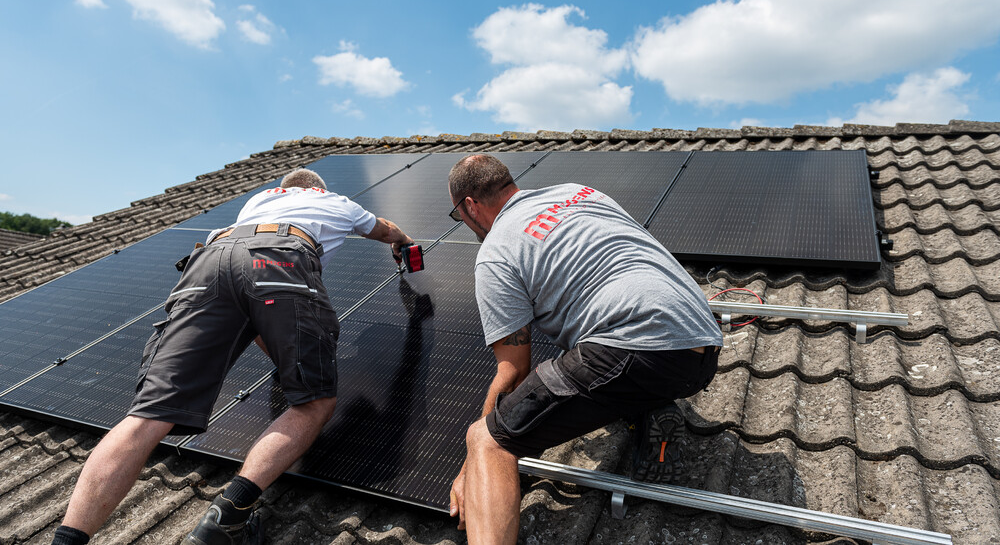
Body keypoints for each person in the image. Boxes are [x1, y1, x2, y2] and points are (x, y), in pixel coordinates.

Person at [52, 168, 414, 545]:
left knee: (147, 415)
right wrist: (401, 240)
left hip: (209, 260)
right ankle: (226, 519)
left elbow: (252, 306)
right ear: (316, 190)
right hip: (279, 258)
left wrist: (283, 354)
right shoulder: (333, 200)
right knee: (314, 402)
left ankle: (66, 540)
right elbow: (384, 228)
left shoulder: (258, 201)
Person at [445, 154, 723, 544]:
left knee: (489, 441)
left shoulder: (496, 250)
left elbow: (513, 372)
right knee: (600, 377)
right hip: (702, 342)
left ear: (469, 205)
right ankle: (650, 405)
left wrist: (472, 464)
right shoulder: (579, 193)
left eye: (459, 216)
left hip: (633, 343)